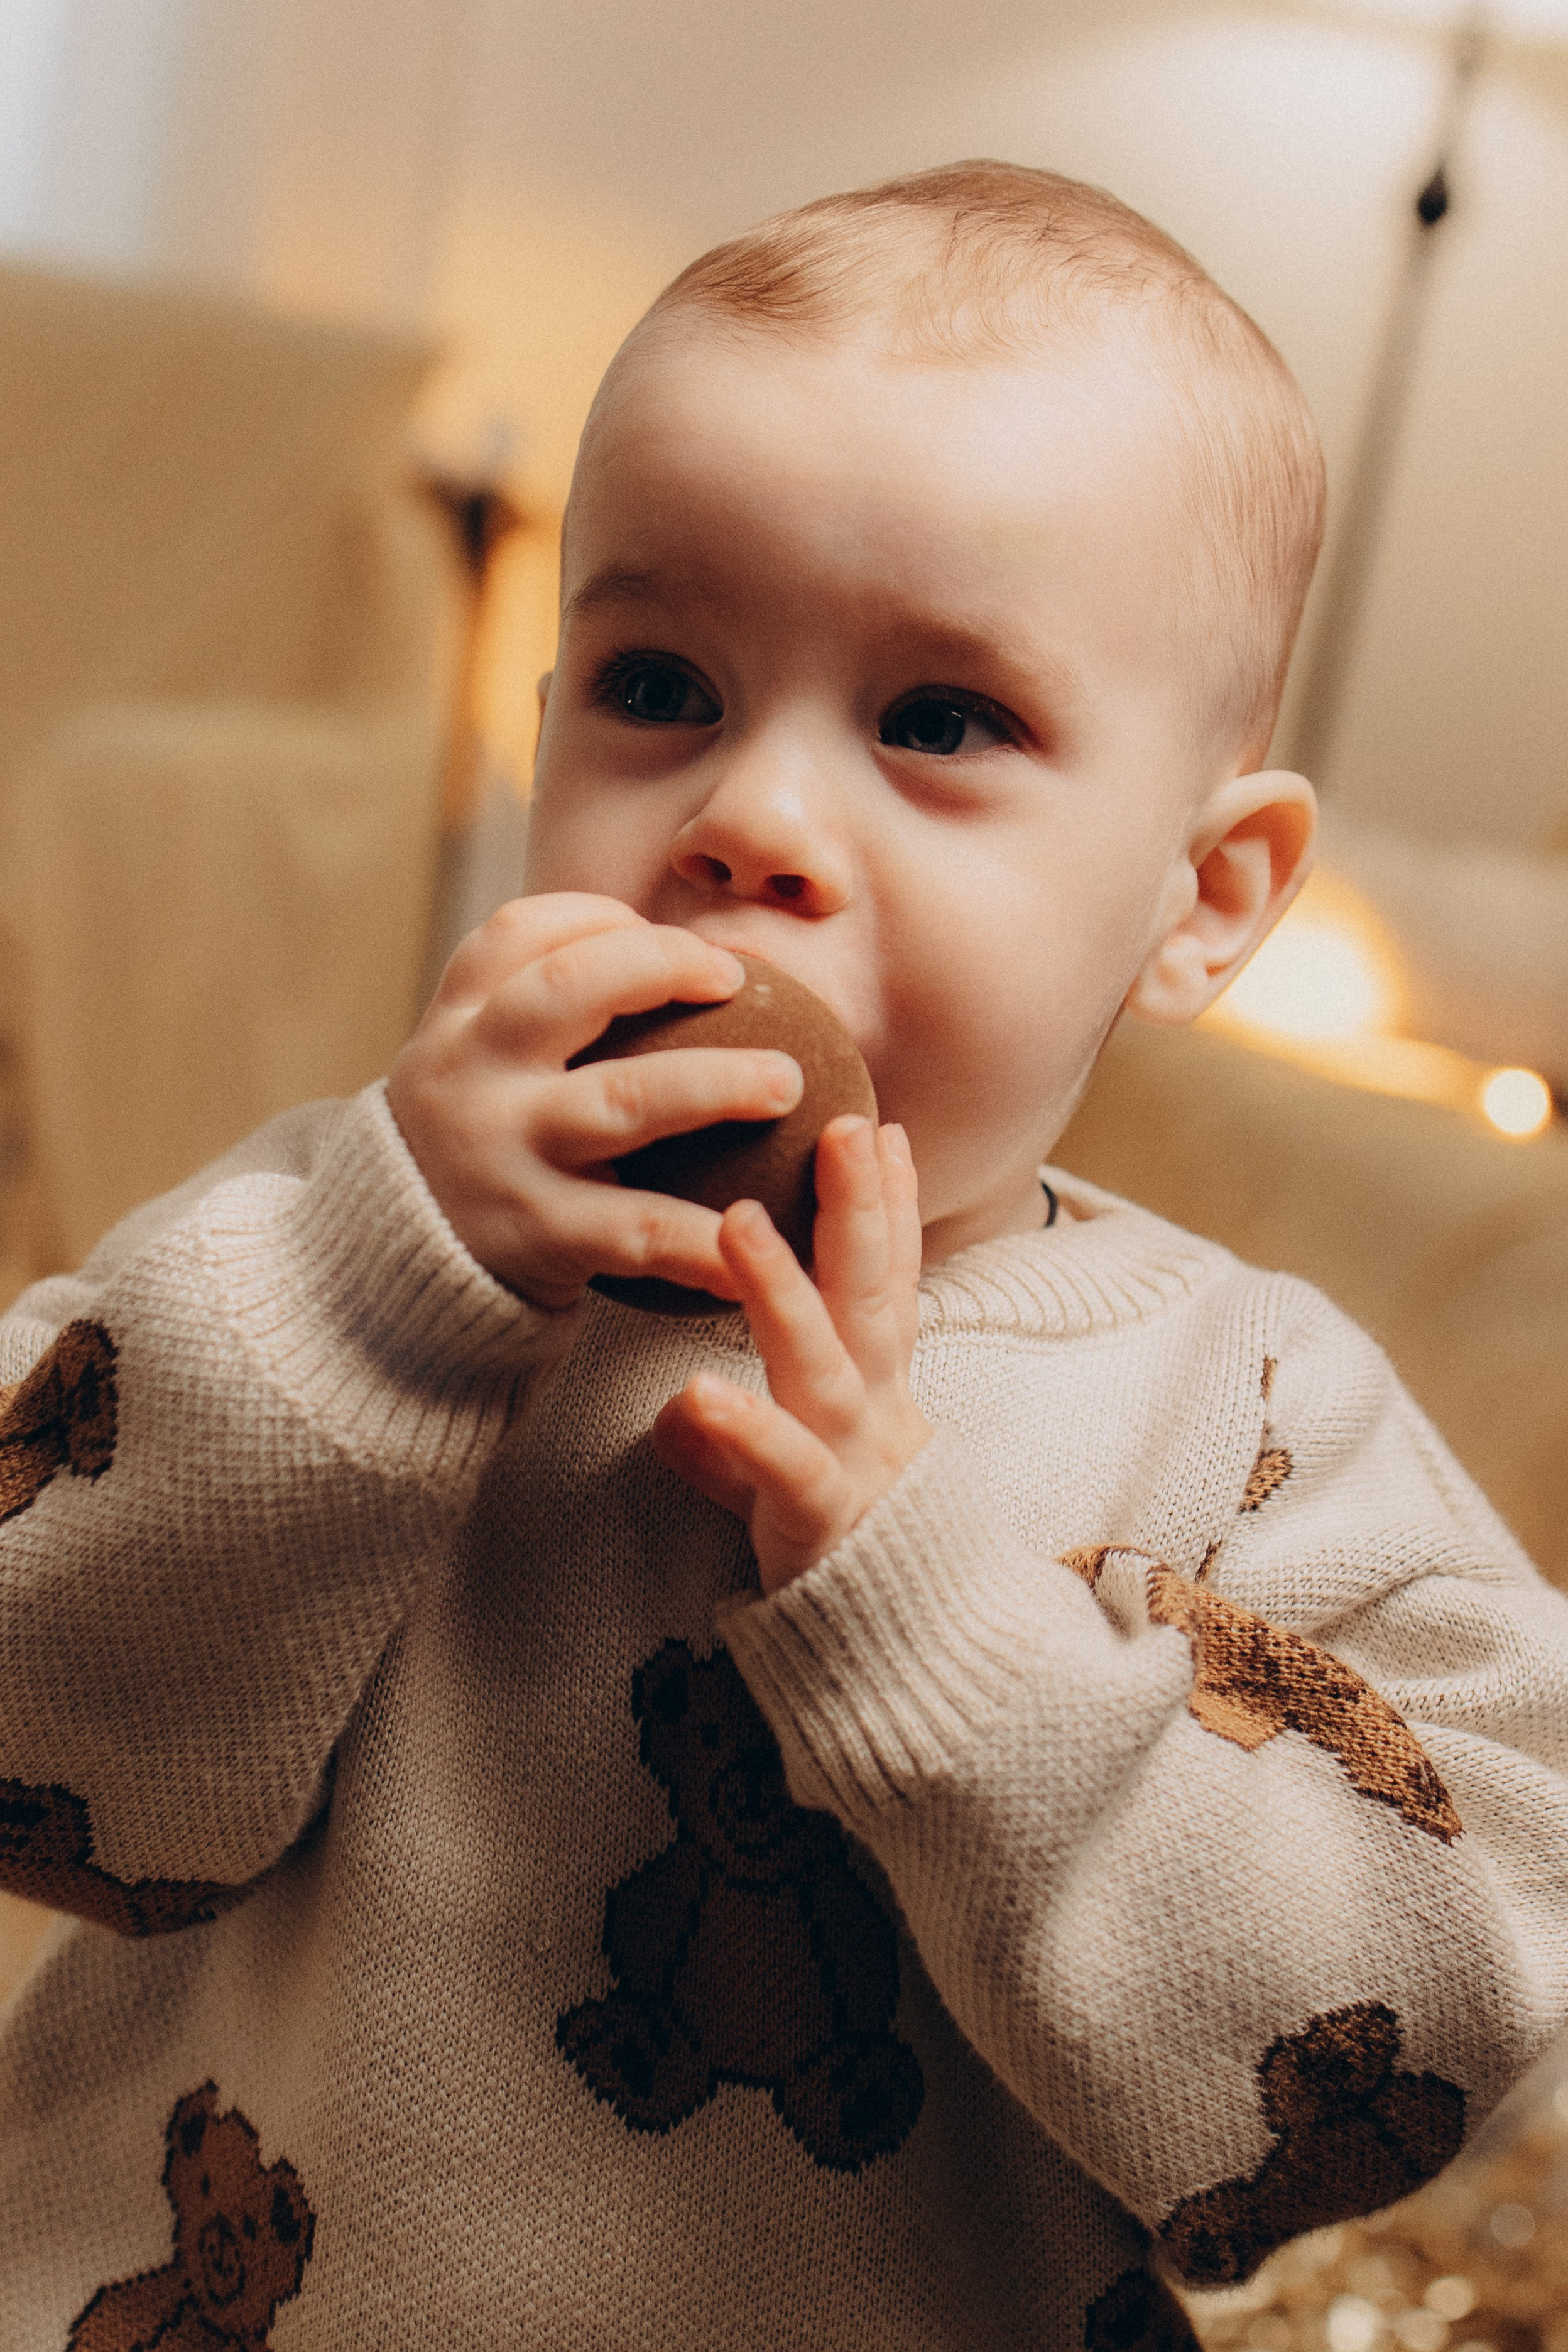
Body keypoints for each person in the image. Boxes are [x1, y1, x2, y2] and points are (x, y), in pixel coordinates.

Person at [3, 161, 1565, 2351]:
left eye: (940, 721)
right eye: (659, 679)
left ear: (1204, 899)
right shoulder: (343, 1248)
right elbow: (45, 1748)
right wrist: (370, 1302)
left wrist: (958, 1646)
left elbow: (1423, 2047)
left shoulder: (1250, 1416)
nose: (745, 816)